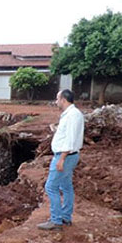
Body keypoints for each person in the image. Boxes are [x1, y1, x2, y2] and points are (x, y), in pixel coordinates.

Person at [38, 89, 84, 231]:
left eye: (57, 99)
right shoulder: (72, 114)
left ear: (63, 100)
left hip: (65, 156)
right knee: (66, 186)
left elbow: (70, 140)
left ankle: (56, 221)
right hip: (70, 156)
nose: (56, 102)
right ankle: (65, 217)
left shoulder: (72, 116)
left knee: (51, 187)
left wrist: (61, 159)